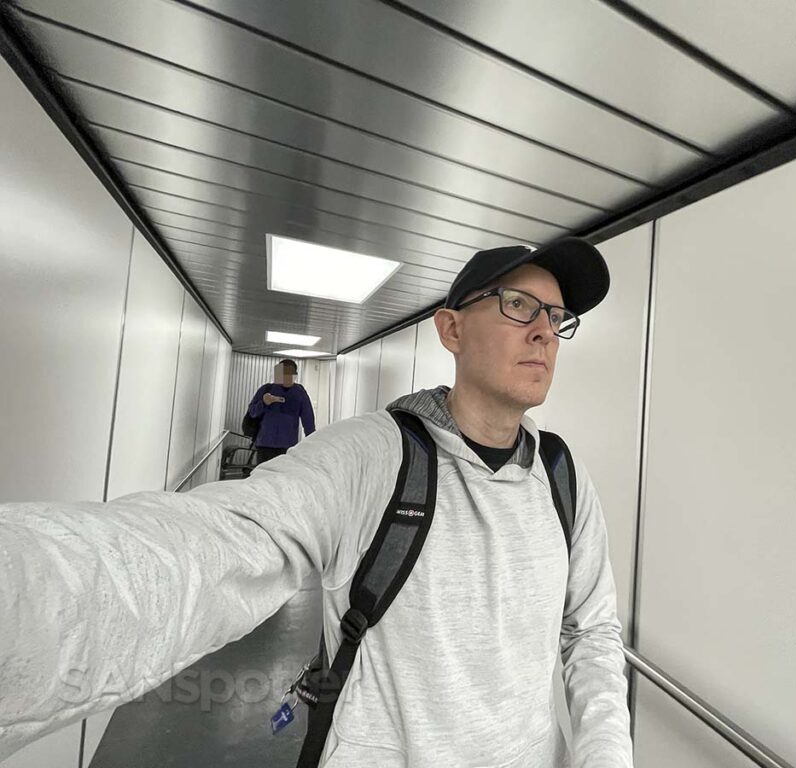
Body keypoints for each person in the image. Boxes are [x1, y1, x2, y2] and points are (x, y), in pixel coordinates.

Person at [0, 237, 633, 767]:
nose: (545, 333)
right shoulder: (373, 458)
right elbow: (218, 542)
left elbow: (592, 630)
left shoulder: (562, 478)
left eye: (557, 318)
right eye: (520, 305)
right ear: (452, 329)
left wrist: (604, 754)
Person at [246, 358, 316, 464]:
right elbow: (252, 412)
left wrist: (310, 444)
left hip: (287, 447)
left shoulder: (299, 393)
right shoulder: (266, 390)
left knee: (283, 478)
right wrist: (264, 403)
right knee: (263, 477)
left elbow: (308, 420)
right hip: (265, 445)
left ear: (294, 375)